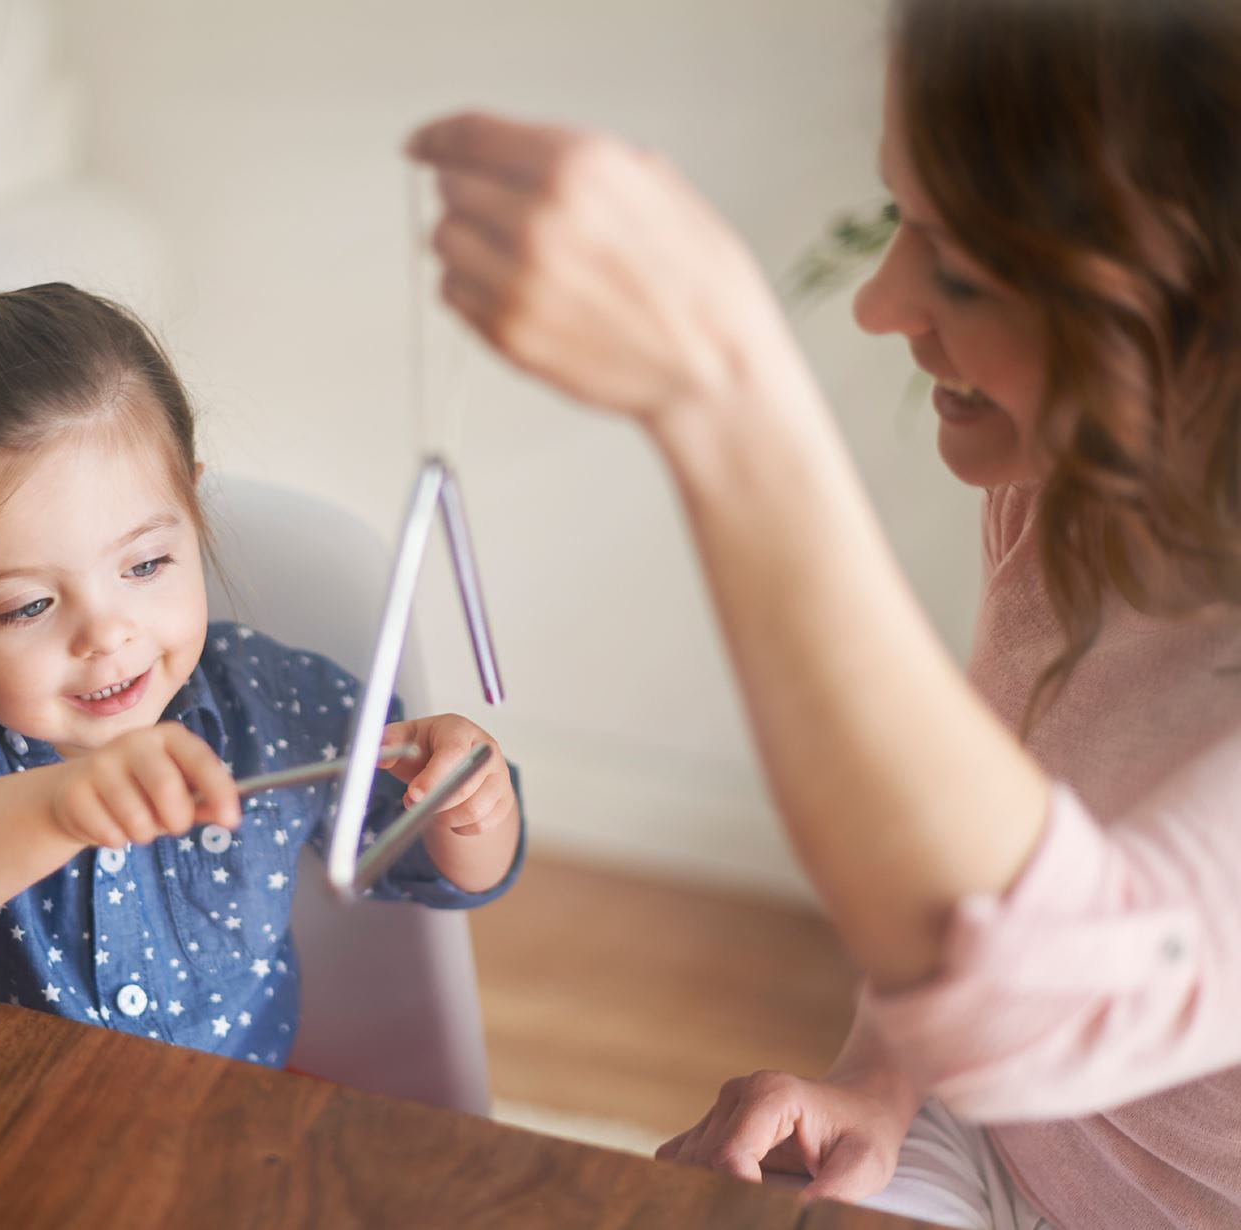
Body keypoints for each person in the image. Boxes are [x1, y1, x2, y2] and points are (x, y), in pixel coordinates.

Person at [408, 0, 1241, 1226]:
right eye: (902, 216)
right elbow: (977, 844)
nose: (880, 301)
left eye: (956, 265)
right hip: (1002, 1142)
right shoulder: (1074, 489)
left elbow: (1059, 994)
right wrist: (879, 1078)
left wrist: (723, 391)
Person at [0, 224, 522, 1068]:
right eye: (26, 607)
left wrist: (466, 799)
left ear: (192, 515)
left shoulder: (273, 705)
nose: (106, 632)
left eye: (147, 563)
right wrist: (59, 806)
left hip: (214, 1142)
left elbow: (447, 865)